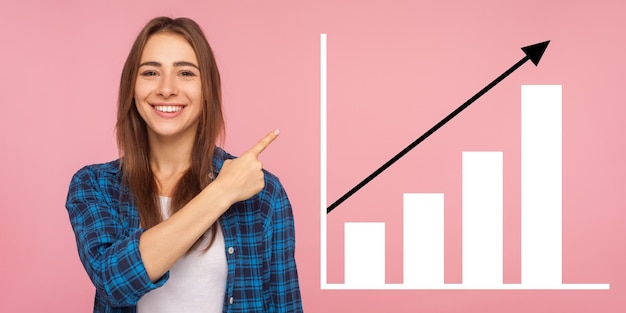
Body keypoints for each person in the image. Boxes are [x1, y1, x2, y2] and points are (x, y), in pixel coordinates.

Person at [65, 16, 302, 313]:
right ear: (132, 87)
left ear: (207, 89)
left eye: (185, 73)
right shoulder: (94, 185)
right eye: (151, 72)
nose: (167, 89)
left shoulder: (264, 193)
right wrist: (222, 192)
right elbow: (114, 282)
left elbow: (284, 305)